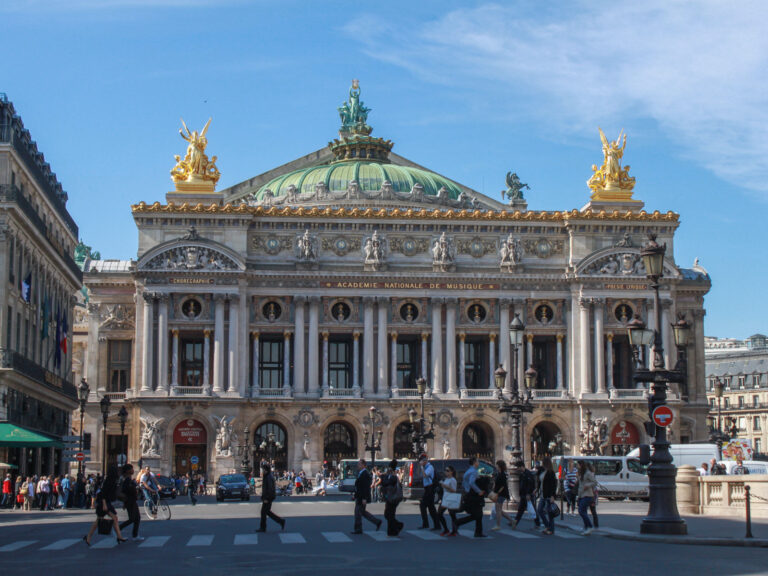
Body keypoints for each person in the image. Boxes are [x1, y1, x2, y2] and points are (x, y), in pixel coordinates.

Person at [83, 465, 127, 546]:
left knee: (99, 520)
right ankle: (119, 537)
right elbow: (103, 493)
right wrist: (104, 505)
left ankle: (88, 537)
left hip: (106, 502)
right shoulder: (108, 480)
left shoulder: (113, 480)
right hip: (103, 502)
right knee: (113, 518)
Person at [455, 457, 486, 538]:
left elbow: (464, 483)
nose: (478, 463)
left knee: (477, 514)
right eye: (478, 461)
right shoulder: (473, 471)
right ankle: (459, 522)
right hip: (472, 495)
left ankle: (478, 532)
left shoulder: (468, 471)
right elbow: (472, 483)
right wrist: (479, 491)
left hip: (468, 494)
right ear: (474, 462)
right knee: (477, 514)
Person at [351, 458, 381, 534]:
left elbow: (365, 488)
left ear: (364, 465)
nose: (358, 465)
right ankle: (377, 522)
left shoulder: (365, 474)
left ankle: (358, 529)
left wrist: (364, 498)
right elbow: (359, 486)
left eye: (359, 464)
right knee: (362, 512)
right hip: (359, 496)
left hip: (361, 497)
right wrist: (355, 495)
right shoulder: (361, 473)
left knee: (358, 512)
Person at [256, 462, 285, 532]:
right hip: (269, 497)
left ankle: (263, 527)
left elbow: (269, 488)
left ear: (265, 470)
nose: (262, 471)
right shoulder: (268, 476)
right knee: (267, 512)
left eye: (263, 469)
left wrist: (266, 498)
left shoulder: (268, 477)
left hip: (268, 497)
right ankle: (281, 521)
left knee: (263, 512)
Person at [118, 464, 143, 541]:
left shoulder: (128, 479)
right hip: (130, 501)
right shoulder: (127, 480)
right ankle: (118, 529)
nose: (133, 470)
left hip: (131, 501)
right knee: (132, 519)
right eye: (132, 469)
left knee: (137, 518)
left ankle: (135, 535)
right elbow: (125, 490)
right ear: (128, 471)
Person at [380, 460, 404, 537]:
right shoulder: (390, 476)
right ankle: (393, 530)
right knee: (388, 515)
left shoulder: (393, 476)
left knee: (389, 514)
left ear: (391, 468)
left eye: (389, 468)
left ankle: (396, 527)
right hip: (390, 498)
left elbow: (386, 483)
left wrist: (382, 477)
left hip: (393, 498)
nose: (388, 469)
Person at [536, 457, 558, 536]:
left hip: (548, 494)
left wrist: (553, 495)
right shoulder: (543, 471)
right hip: (543, 494)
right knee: (539, 510)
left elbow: (553, 485)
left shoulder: (550, 472)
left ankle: (551, 529)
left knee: (550, 513)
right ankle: (547, 526)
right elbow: (539, 481)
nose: (541, 464)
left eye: (543, 462)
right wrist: (537, 489)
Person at [418, 454, 440, 530]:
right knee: (431, 508)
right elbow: (421, 475)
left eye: (421, 461)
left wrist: (421, 467)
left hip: (430, 489)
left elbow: (424, 475)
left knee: (423, 505)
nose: (420, 463)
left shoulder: (430, 467)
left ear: (425, 461)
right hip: (427, 489)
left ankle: (427, 524)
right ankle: (436, 525)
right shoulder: (425, 467)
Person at [491, 460, 514, 530]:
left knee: (498, 509)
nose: (496, 466)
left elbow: (503, 486)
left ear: (499, 466)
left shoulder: (502, 475)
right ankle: (512, 521)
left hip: (501, 494)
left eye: (497, 465)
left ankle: (498, 525)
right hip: (500, 494)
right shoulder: (499, 473)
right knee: (499, 510)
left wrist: (497, 493)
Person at [437, 465, 459, 537]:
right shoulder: (446, 479)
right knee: (440, 513)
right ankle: (447, 529)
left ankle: (454, 530)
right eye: (445, 470)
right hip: (445, 497)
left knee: (452, 515)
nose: (446, 472)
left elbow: (454, 490)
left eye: (448, 471)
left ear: (451, 472)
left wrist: (445, 486)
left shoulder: (453, 480)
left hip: (450, 497)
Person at [577, 461, 597, 535]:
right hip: (582, 494)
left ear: (581, 465)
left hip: (588, 495)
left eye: (578, 465)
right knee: (583, 511)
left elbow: (594, 482)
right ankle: (586, 527)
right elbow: (580, 485)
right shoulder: (581, 473)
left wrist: (587, 485)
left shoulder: (587, 473)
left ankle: (590, 526)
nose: (577, 467)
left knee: (581, 511)